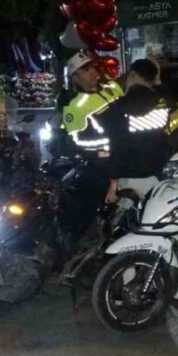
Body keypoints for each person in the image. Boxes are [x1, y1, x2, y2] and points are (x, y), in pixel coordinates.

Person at [55, 51, 123, 257]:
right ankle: (73, 246)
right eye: (85, 70)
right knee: (82, 198)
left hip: (131, 153)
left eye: (92, 67)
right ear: (75, 77)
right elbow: (79, 141)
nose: (92, 72)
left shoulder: (113, 86)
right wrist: (110, 143)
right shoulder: (75, 107)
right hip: (103, 161)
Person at [97, 58, 178, 205]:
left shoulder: (119, 106)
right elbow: (172, 102)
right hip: (158, 174)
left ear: (133, 75)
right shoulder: (162, 102)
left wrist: (113, 183)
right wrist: (158, 80)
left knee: (124, 222)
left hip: (130, 178)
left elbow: (118, 145)